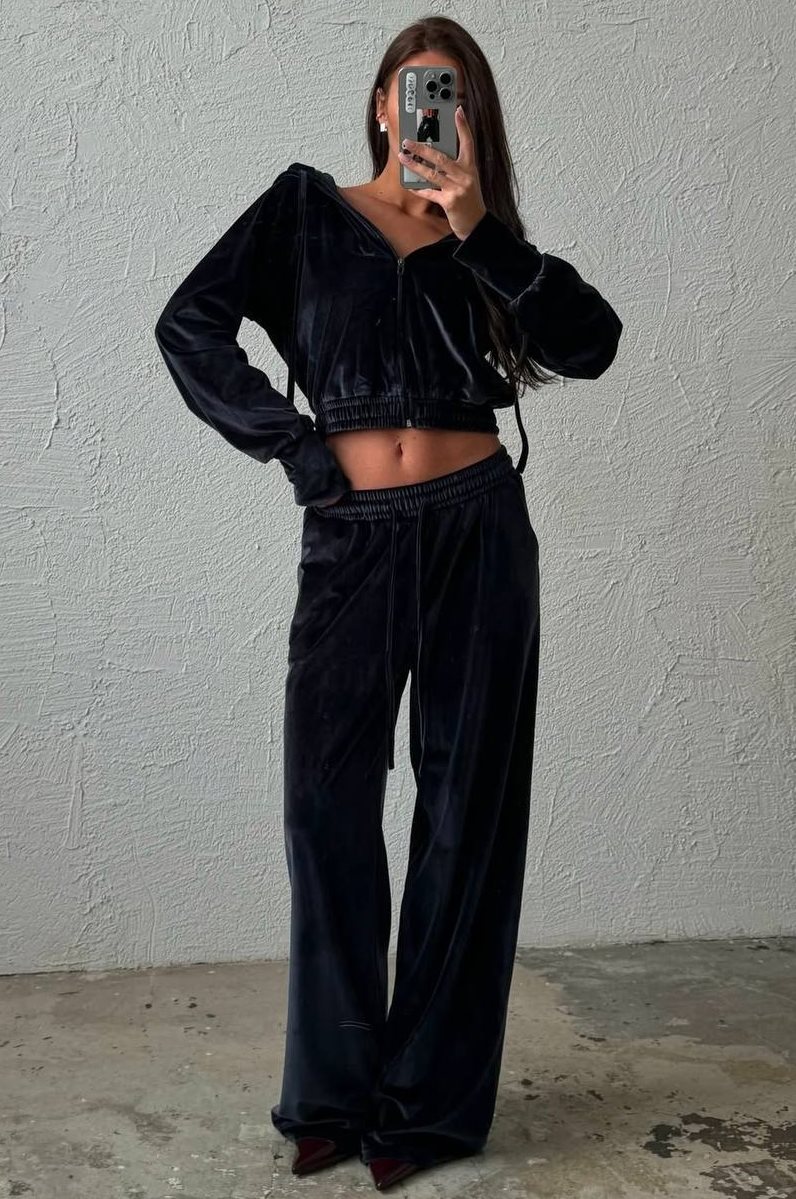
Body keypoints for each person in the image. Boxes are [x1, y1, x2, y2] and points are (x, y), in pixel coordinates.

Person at [154, 15, 622, 1193]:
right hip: (352, 536)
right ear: (379, 105)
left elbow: (594, 344)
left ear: (471, 118)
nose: (428, 110)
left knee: (467, 816)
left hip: (478, 532)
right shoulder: (303, 212)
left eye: (450, 93)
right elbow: (188, 322)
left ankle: (428, 1105)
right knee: (326, 806)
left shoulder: (486, 241)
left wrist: (479, 229)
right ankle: (331, 1093)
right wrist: (293, 447)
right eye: (414, 89)